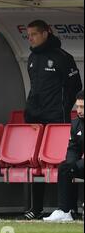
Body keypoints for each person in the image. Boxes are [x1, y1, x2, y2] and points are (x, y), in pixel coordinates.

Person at [23, 19, 82, 220]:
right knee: (35, 162)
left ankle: (68, 208)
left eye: (34, 34)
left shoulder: (63, 57)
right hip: (36, 121)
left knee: (65, 162)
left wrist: (63, 108)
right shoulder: (31, 58)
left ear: (46, 33)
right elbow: (34, 89)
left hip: (58, 120)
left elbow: (75, 86)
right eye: (28, 35)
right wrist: (29, 112)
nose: (30, 38)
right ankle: (36, 208)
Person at [44, 91, 84, 222]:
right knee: (65, 167)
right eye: (77, 107)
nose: (79, 110)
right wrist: (72, 164)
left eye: (82, 107)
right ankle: (65, 211)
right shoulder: (76, 123)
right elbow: (73, 148)